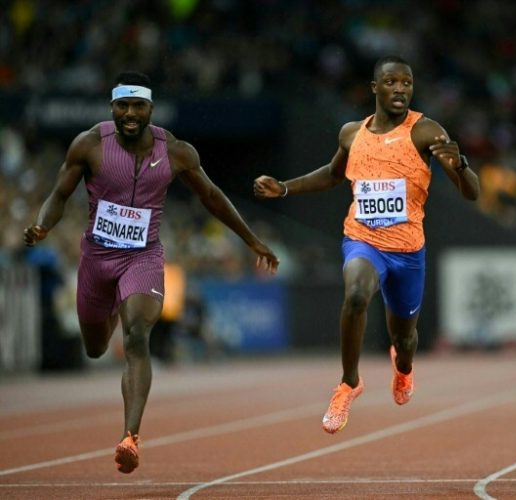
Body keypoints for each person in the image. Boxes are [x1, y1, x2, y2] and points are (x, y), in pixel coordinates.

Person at [23, 71, 279, 473]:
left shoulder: (176, 151)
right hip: (96, 259)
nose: (130, 113)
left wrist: (251, 240)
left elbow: (212, 196)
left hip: (142, 258)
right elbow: (59, 195)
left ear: (150, 109)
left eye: (138, 106)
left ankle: (130, 436)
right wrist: (42, 226)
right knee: (94, 347)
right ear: (112, 107)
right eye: (122, 105)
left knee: (138, 335)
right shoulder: (89, 144)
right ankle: (108, 308)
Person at [254, 55, 479, 434]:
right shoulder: (351, 133)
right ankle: (348, 383)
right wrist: (286, 187)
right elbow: (330, 174)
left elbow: (471, 193)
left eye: (407, 83)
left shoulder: (425, 131)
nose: (400, 90)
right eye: (391, 82)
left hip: (407, 251)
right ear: (375, 88)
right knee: (356, 294)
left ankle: (404, 368)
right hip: (363, 239)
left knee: (404, 338)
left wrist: (460, 166)